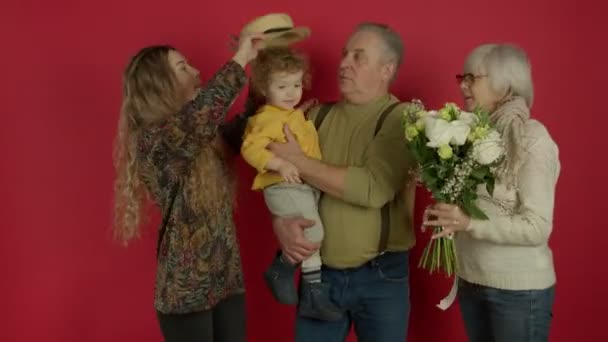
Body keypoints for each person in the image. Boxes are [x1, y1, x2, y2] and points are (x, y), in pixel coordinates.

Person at [268, 23, 416, 342]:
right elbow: (282, 180)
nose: (344, 63)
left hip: (381, 278)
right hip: (319, 276)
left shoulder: (403, 118)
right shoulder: (315, 116)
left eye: (358, 57)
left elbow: (372, 188)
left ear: (386, 69)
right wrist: (281, 223)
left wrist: (300, 161)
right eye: (344, 54)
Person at [112, 32, 264, 342]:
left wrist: (262, 89)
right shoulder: (155, 140)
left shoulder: (198, 133)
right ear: (159, 86)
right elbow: (200, 119)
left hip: (226, 281)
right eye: (183, 67)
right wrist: (241, 58)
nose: (196, 72)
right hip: (185, 295)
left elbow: (232, 137)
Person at [423, 43, 560, 342]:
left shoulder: (532, 139)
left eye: (473, 77)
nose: (463, 85)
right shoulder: (473, 134)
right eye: (462, 76)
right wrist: (445, 213)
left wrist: (468, 222)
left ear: (505, 84)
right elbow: (475, 206)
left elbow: (537, 227)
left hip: (518, 292)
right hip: (472, 281)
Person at [240, 46, 341, 321]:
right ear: (264, 87)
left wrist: (301, 112)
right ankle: (282, 270)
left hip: (303, 185)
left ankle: (312, 296)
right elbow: (250, 149)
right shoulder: (264, 119)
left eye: (296, 84)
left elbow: (294, 125)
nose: (291, 92)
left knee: (310, 236)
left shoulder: (291, 113)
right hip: (282, 186)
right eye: (282, 86)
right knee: (314, 235)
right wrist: (279, 164)